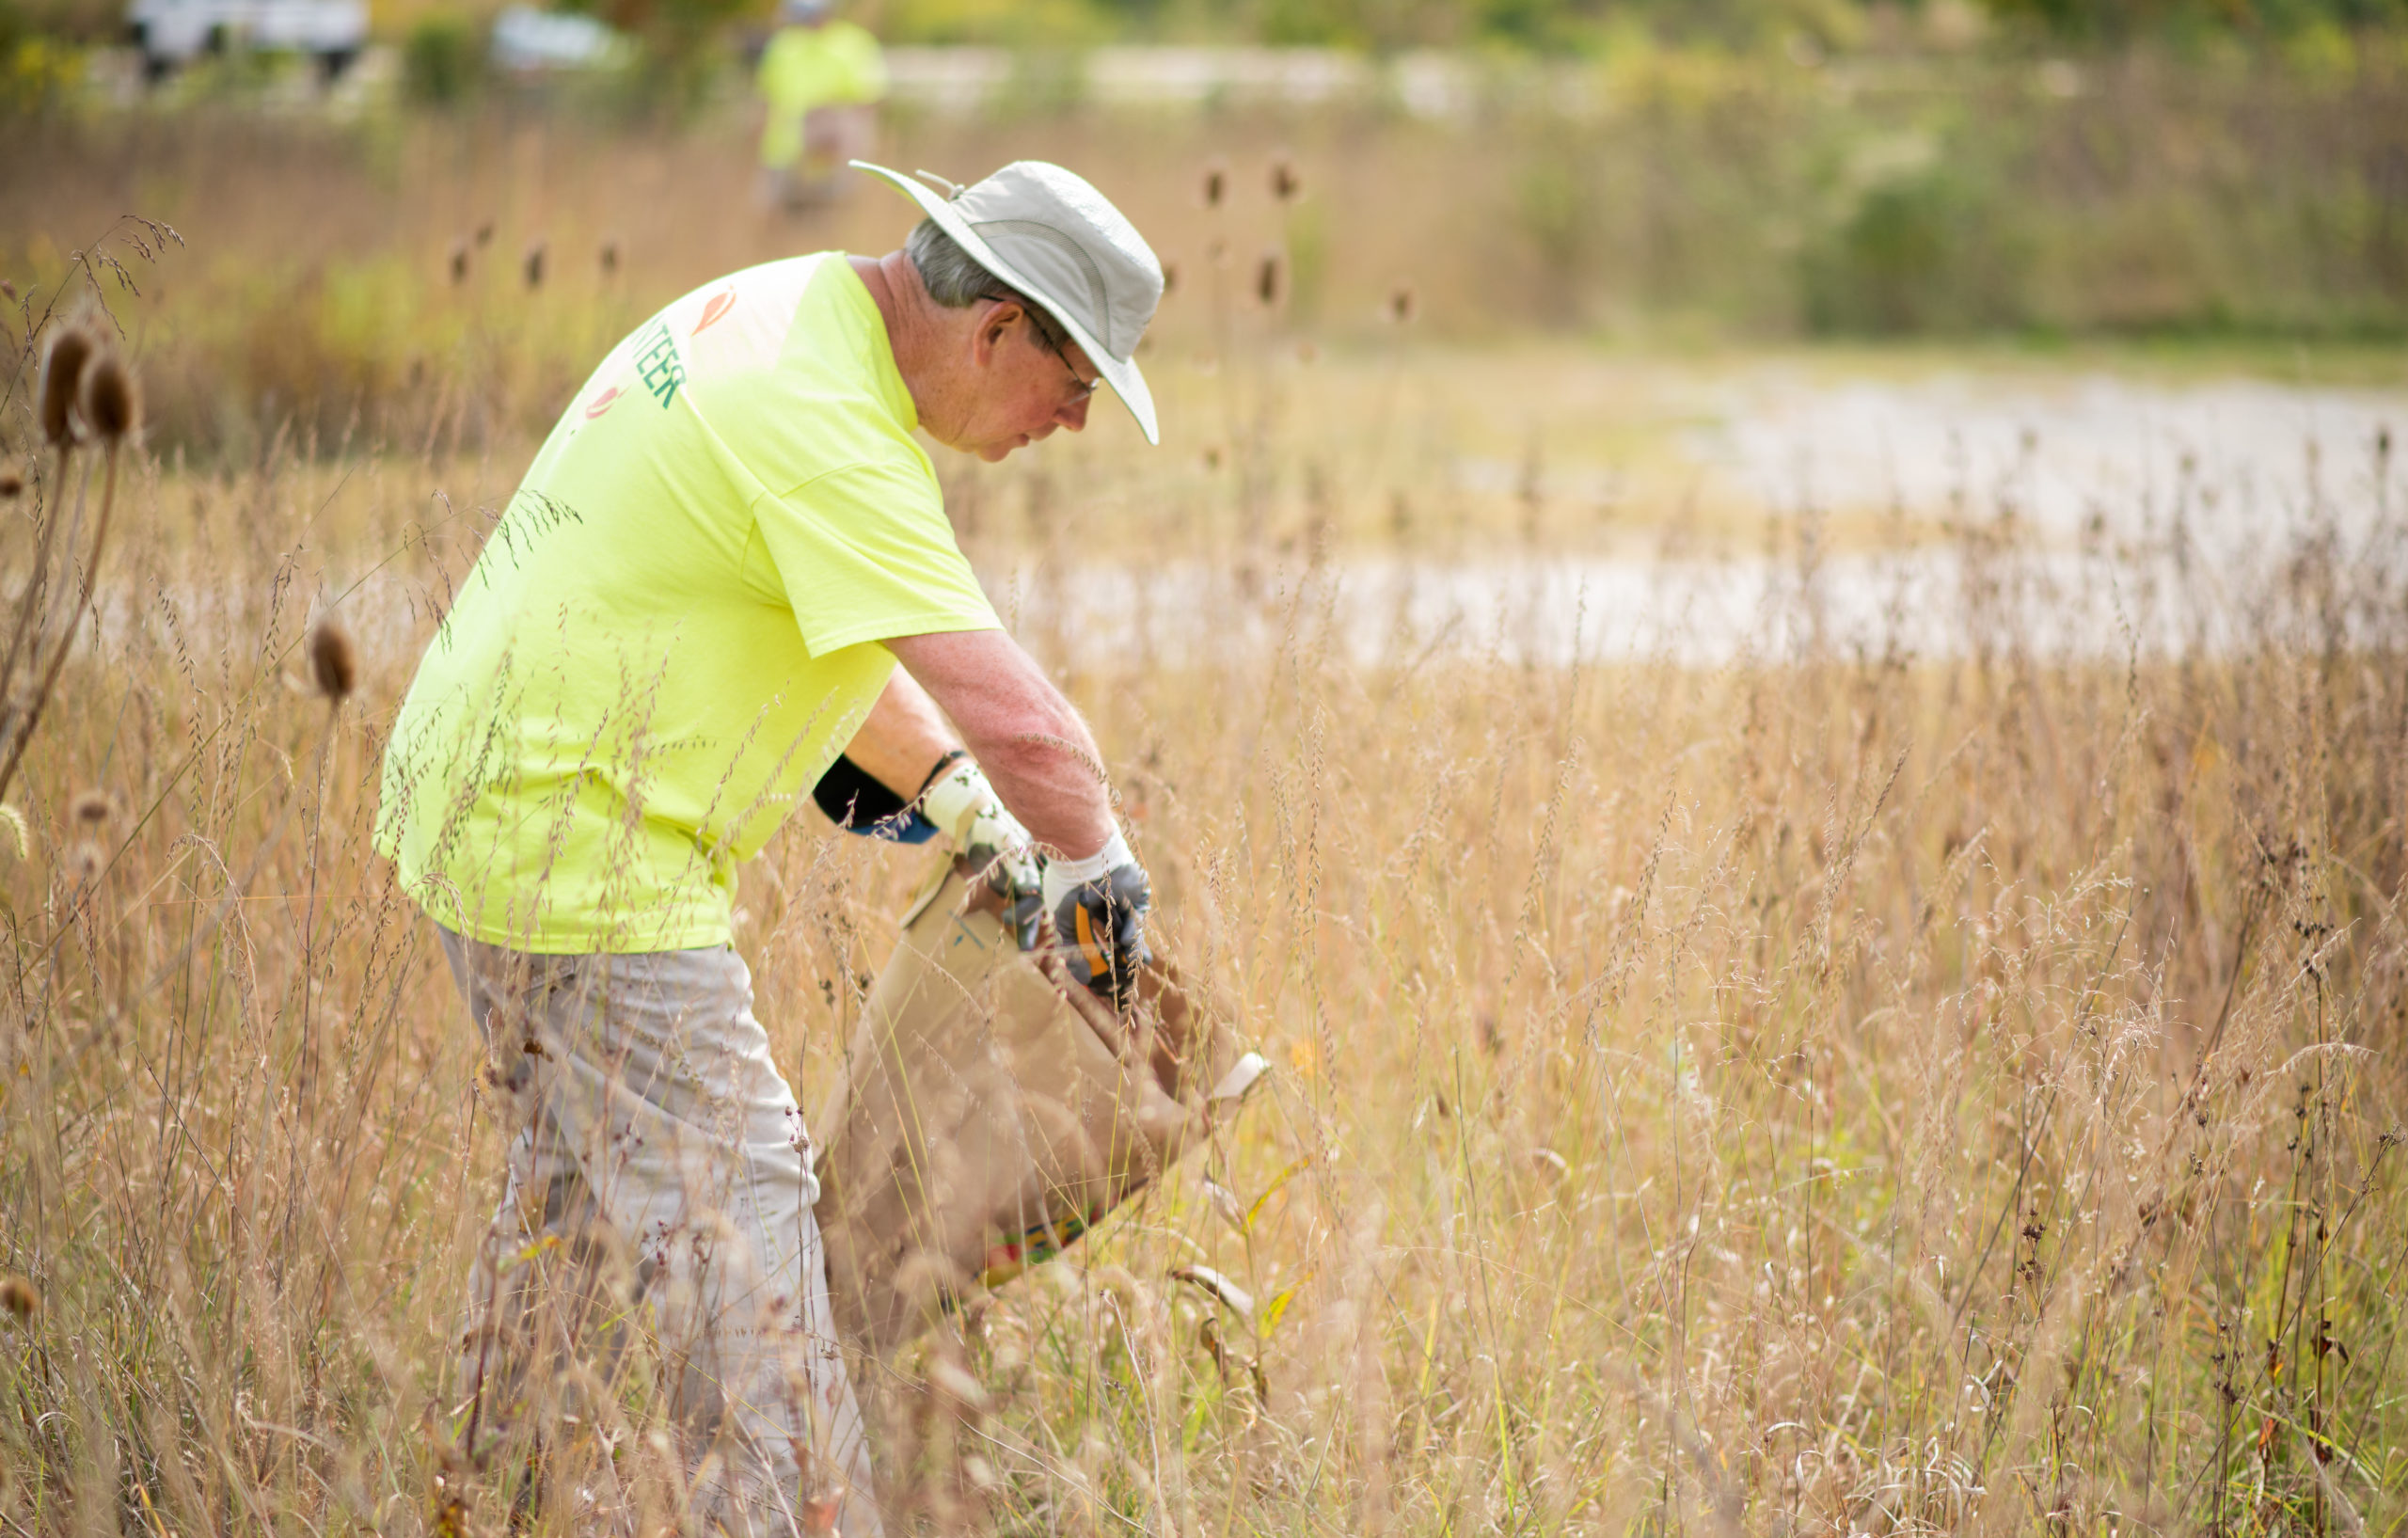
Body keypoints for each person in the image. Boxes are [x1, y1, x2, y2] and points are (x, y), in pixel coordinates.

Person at [373, 160, 1165, 1538]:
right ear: (995, 331)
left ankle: (480, 1501)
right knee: (756, 1269)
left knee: (577, 1207)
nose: (1075, 419)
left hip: (494, 808)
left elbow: (841, 644)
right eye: (1078, 377)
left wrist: (969, 812)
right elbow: (1033, 728)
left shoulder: (795, 317)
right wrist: (1094, 864)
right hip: (581, 861)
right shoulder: (829, 420)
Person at [754, 0, 885, 213]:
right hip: (784, 147)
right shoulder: (783, 45)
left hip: (834, 149)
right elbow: (767, 95)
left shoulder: (853, 43)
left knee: (829, 209)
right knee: (775, 208)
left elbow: (868, 99)